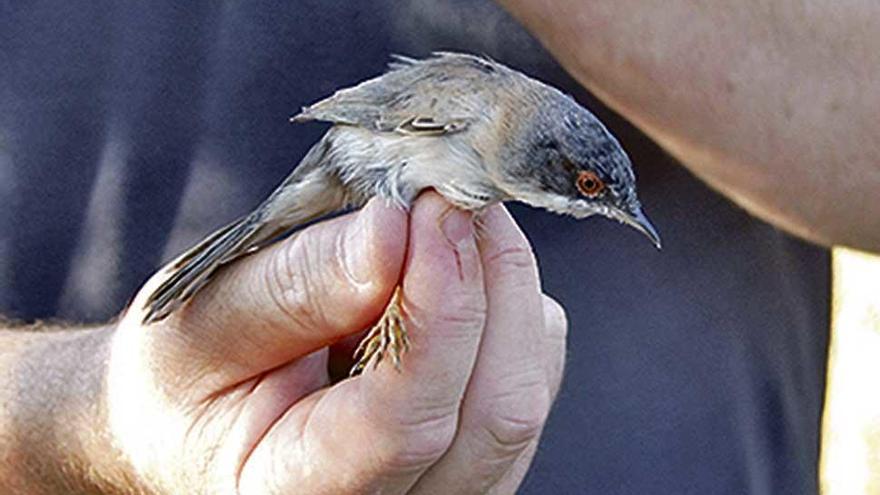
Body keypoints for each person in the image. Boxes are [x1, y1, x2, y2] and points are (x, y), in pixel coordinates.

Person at [2, 0, 868, 493]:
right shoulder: (477, 114)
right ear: (554, 170)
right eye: (594, 194)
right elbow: (363, 123)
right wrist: (82, 421)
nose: (599, 206)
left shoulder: (496, 157)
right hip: (341, 170)